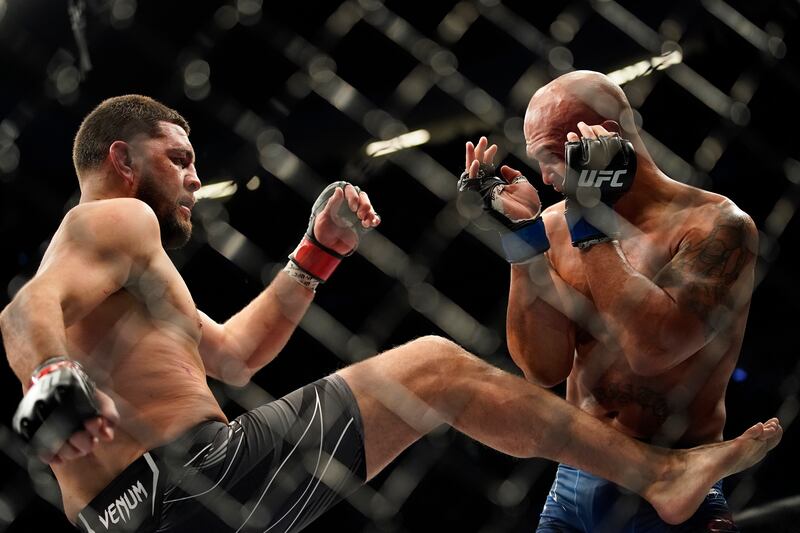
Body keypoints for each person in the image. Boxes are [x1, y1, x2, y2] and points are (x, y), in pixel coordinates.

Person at [1, 95, 780, 533]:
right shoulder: (112, 220)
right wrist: (49, 371)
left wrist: (316, 253)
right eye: (180, 158)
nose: (197, 181)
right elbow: (22, 309)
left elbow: (233, 356)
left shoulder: (125, 281)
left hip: (131, 515)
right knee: (433, 365)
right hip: (192, 479)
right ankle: (661, 471)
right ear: (121, 159)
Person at [461, 70, 764, 531]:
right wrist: (522, 242)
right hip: (572, 483)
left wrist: (591, 220)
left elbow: (651, 350)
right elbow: (543, 369)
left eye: (554, 157)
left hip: (672, 483)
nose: (544, 177)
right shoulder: (557, 224)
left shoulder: (714, 226)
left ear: (606, 140)